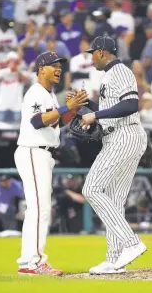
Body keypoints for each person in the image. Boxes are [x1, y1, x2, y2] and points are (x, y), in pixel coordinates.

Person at [14, 51, 88, 276]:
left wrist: (72, 108)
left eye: (59, 66)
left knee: (37, 210)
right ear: (40, 69)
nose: (58, 69)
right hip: (33, 151)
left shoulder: (50, 94)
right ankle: (35, 262)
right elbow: (37, 121)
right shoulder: (36, 92)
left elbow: (56, 121)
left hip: (42, 153)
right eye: (53, 65)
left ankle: (28, 261)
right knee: (40, 209)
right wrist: (66, 107)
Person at [79, 36, 148, 274]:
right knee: (115, 201)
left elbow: (131, 105)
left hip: (123, 136)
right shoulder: (111, 74)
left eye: (92, 53)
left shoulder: (119, 70)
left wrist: (94, 116)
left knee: (91, 189)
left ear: (101, 52)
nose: (91, 57)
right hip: (121, 135)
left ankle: (131, 242)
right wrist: (86, 104)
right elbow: (111, 110)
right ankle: (114, 259)